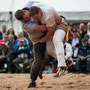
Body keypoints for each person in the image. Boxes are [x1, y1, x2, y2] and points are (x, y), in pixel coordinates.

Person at [29, 3, 68, 78]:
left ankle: (62, 67)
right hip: (51, 27)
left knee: (56, 40)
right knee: (50, 50)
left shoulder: (47, 15)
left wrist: (43, 39)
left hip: (60, 25)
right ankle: (66, 60)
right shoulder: (34, 6)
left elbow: (51, 31)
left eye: (37, 17)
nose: (36, 20)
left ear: (40, 11)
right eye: (34, 19)